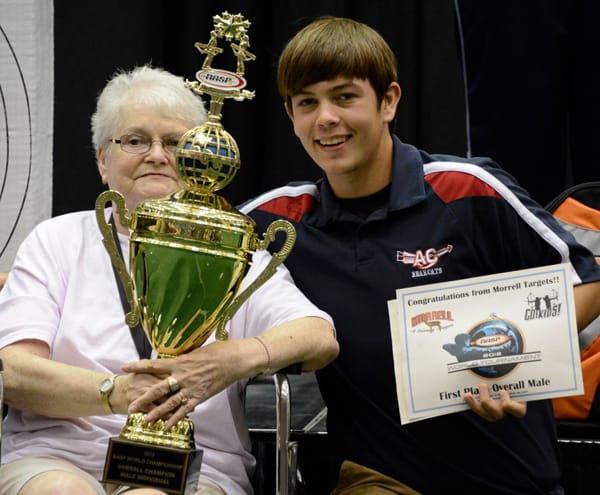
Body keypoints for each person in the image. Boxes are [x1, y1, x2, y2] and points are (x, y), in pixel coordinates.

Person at [239, 16, 600, 494]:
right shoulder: (277, 221)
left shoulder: (467, 189)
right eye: (308, 102)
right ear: (290, 116)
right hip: (378, 480)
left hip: (512, 480)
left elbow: (587, 280)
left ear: (388, 101)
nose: (325, 118)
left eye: (345, 97)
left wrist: (504, 360)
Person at [0, 65, 338, 495]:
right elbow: (13, 372)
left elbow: (318, 337)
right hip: (57, 455)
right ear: (103, 160)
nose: (157, 155)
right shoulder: (57, 240)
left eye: (177, 143)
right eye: (135, 140)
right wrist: (116, 393)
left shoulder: (233, 251)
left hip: (195, 466)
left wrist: (229, 361)